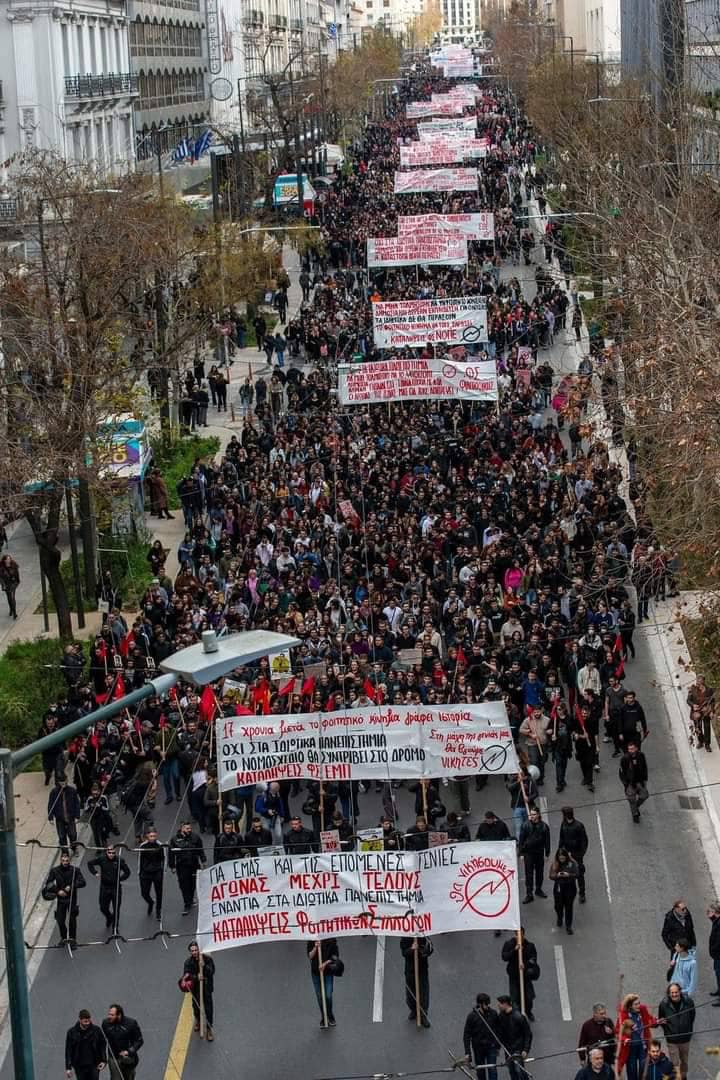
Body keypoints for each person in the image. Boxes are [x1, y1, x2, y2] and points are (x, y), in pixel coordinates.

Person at [43, 851, 85, 947]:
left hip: (72, 899)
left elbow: (83, 882)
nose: (65, 862)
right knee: (60, 920)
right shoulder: (55, 870)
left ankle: (72, 940)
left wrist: (72, 886)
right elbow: (49, 883)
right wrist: (58, 891)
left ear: (69, 860)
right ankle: (63, 938)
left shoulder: (75, 870)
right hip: (61, 900)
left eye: (67, 860)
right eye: (63, 860)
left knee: (72, 920)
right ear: (60, 861)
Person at [87, 845, 130, 931]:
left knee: (116, 908)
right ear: (106, 852)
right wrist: (95, 873)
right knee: (103, 907)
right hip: (104, 887)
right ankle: (109, 917)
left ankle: (115, 927)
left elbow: (127, 872)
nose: (111, 854)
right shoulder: (102, 859)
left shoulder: (120, 860)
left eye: (113, 853)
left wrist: (120, 879)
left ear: (115, 853)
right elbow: (90, 863)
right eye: (109, 853)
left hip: (116, 888)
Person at [657, 982, 695, 1080]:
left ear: (680, 992)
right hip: (672, 1039)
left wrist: (688, 1030)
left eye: (676, 992)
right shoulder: (664, 1004)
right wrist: (668, 1032)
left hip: (685, 1038)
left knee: (684, 1060)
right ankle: (678, 1077)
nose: (674, 994)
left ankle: (684, 1076)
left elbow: (692, 1017)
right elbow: (661, 1020)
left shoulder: (688, 1002)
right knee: (675, 1062)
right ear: (669, 993)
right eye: (672, 993)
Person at [616, 992, 657, 1080]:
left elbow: (649, 1019)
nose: (639, 1005)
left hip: (643, 1045)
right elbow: (617, 1031)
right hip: (630, 1047)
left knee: (644, 1066)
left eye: (639, 1003)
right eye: (636, 1004)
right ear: (630, 1006)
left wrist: (656, 1021)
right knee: (632, 1069)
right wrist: (625, 1039)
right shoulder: (624, 1015)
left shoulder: (642, 1010)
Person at [168, 821, 206, 914]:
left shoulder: (195, 837)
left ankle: (191, 897)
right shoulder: (174, 839)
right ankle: (187, 903)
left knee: (193, 884)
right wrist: (172, 866)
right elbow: (171, 854)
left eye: (190, 828)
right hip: (182, 866)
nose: (189, 830)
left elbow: (200, 850)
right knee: (184, 885)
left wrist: (203, 860)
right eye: (187, 828)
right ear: (182, 828)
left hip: (194, 864)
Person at [501, 929, 539, 1021]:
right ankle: (518, 1017)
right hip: (514, 976)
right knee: (515, 999)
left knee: (528, 999)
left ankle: (528, 1012)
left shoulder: (530, 946)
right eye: (517, 935)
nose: (519, 937)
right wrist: (514, 950)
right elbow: (504, 957)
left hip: (525, 977)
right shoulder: (509, 944)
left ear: (523, 935)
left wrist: (525, 965)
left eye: (521, 935)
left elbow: (533, 959)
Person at [182, 941, 216, 1041]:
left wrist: (204, 966)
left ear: (199, 950)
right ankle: (198, 1020)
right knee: (196, 1007)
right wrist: (196, 977)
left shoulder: (208, 959)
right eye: (192, 951)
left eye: (196, 950)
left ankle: (209, 1029)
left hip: (206, 988)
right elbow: (186, 976)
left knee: (208, 1009)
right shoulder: (188, 962)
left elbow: (211, 972)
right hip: (195, 989)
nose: (194, 952)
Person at [462, 992, 499, 1079]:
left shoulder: (493, 1014)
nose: (488, 1006)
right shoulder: (472, 1017)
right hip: (478, 1048)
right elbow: (466, 1035)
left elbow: (498, 1030)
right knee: (480, 1071)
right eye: (486, 1004)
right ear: (479, 1004)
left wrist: (497, 1046)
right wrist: (467, 1052)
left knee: (492, 1069)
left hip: (491, 1047)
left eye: (488, 1003)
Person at [495, 995, 532, 1079]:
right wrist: (497, 1047)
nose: (498, 1006)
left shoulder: (519, 1017)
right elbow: (500, 1034)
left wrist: (526, 1049)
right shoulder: (501, 1016)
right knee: (512, 1071)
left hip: (518, 1049)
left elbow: (528, 1034)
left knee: (519, 1070)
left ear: (505, 1004)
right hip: (507, 1049)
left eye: (499, 1004)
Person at [101, 1004, 143, 1080]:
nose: (109, 1017)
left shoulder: (131, 1023)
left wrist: (129, 1051)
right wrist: (103, 1059)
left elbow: (139, 1040)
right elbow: (103, 1041)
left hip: (128, 1058)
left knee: (129, 1077)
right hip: (113, 1057)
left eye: (112, 1015)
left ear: (119, 1015)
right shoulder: (105, 1024)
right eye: (109, 1014)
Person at [518, 806, 550, 903]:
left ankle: (538, 889)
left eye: (534, 814)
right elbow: (521, 840)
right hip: (528, 853)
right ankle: (529, 894)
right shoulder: (525, 825)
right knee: (529, 874)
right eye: (531, 814)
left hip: (539, 853)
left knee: (539, 872)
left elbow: (547, 841)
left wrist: (547, 853)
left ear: (538, 815)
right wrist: (521, 853)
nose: (532, 816)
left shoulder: (544, 826)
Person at [65, 1008, 106, 1079]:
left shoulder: (97, 1030)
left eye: (89, 1021)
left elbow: (102, 1045)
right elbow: (68, 1050)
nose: (87, 1023)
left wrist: (103, 1061)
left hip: (94, 1065)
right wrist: (68, 1068)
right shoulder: (71, 1032)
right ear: (80, 1020)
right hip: (79, 1066)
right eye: (85, 1021)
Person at [401, 936, 432, 1028]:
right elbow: (404, 952)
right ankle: (414, 1010)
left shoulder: (424, 935)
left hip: (422, 970)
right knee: (411, 994)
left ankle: (423, 1016)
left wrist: (424, 951)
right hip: (410, 970)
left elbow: (430, 948)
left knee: (423, 994)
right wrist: (412, 949)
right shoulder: (405, 937)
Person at [558, 806, 588, 903]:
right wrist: (561, 852)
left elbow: (584, 842)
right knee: (567, 874)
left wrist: (580, 855)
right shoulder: (563, 825)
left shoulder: (579, 826)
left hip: (577, 855)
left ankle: (582, 893)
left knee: (579, 874)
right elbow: (561, 839)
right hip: (566, 855)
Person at [307, 938, 339, 1027]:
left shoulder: (331, 939)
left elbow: (335, 956)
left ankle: (330, 1015)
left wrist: (325, 964)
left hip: (328, 972)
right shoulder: (311, 939)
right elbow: (310, 956)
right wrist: (315, 947)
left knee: (328, 996)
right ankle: (324, 1017)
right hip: (316, 973)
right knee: (320, 997)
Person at [549, 846, 578, 934]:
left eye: (563, 856)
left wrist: (568, 875)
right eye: (560, 856)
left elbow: (577, 874)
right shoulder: (555, 864)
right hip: (559, 889)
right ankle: (560, 917)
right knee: (558, 906)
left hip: (570, 888)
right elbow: (551, 875)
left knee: (569, 907)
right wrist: (557, 875)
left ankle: (568, 926)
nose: (561, 858)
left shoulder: (572, 863)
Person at [577, 1002, 616, 1067]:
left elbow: (615, 1039)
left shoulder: (609, 1022)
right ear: (595, 1014)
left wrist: (611, 1033)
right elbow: (582, 1043)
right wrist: (582, 1059)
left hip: (607, 1058)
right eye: (601, 1014)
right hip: (593, 1059)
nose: (604, 1016)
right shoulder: (587, 1025)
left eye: (605, 1013)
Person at [48, 776, 81, 852]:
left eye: (65, 781)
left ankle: (74, 848)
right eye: (61, 782)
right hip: (60, 818)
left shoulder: (72, 790)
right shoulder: (54, 792)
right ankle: (65, 852)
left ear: (67, 780)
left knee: (73, 834)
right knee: (62, 836)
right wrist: (50, 817)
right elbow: (51, 805)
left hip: (70, 817)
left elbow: (77, 803)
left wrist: (77, 816)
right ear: (58, 782)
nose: (63, 784)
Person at [138, 826, 164, 920]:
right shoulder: (143, 846)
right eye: (151, 836)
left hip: (157, 872)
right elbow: (140, 859)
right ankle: (150, 902)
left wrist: (163, 871)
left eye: (154, 836)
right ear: (147, 836)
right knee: (144, 893)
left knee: (159, 893)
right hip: (145, 873)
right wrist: (139, 871)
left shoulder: (160, 845)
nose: (153, 838)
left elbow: (164, 859)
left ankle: (158, 910)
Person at [618, 740, 649, 822]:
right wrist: (626, 784)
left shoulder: (641, 755)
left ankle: (635, 807)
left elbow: (645, 767)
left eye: (632, 749)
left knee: (644, 796)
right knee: (631, 799)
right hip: (630, 783)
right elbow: (621, 773)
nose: (630, 751)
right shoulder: (625, 759)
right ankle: (635, 814)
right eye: (629, 749)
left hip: (640, 781)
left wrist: (645, 779)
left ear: (636, 748)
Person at [0, 553, 20, 618]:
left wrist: (17, 582)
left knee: (12, 597)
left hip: (13, 583)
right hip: (6, 584)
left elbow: (17, 575)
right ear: (4, 560)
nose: (9, 560)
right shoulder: (1, 568)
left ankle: (14, 613)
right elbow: (1, 578)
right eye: (7, 559)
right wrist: (3, 585)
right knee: (9, 598)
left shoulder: (14, 566)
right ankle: (11, 609)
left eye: (9, 559)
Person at [709, 902, 720, 1001]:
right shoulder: (717, 920)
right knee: (717, 973)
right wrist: (711, 917)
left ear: (715, 912)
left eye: (711, 911)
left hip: (718, 955)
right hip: (717, 955)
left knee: (719, 974)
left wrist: (713, 949)